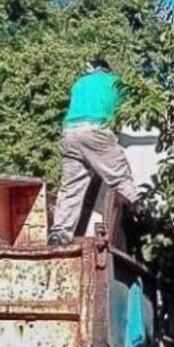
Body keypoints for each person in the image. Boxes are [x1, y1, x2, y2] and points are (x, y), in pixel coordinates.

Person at [48, 58, 140, 246]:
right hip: (95, 130)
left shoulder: (79, 83)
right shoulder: (114, 81)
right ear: (107, 69)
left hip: (69, 134)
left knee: (71, 187)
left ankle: (60, 233)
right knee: (119, 176)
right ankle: (144, 216)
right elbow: (136, 103)